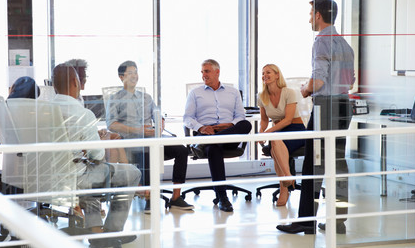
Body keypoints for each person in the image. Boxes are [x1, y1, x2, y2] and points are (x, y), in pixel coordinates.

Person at [277, 0, 355, 235]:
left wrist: (305, 89)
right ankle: (338, 221)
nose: (309, 17)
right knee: (338, 163)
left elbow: (319, 80)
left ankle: (306, 221)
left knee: (314, 163)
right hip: (343, 106)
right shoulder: (344, 44)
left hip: (326, 107)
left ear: (319, 15)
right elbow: (350, 82)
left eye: (311, 13)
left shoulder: (321, 41)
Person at [52, 64, 141, 248]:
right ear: (75, 83)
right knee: (131, 173)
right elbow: (98, 154)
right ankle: (112, 231)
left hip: (50, 177)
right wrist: (97, 140)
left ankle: (95, 230)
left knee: (89, 170)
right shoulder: (82, 114)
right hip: (76, 177)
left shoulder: (43, 110)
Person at [106, 60, 194, 213]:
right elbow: (111, 124)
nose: (135, 76)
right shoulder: (115, 98)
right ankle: (149, 198)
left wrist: (160, 124)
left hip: (152, 138)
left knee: (181, 150)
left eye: (136, 72)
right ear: (121, 77)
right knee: (148, 150)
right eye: (130, 73)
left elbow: (158, 114)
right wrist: (137, 130)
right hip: (132, 142)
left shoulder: (146, 97)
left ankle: (176, 197)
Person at [183, 59, 252, 212]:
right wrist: (201, 127)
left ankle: (211, 141)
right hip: (206, 132)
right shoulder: (195, 93)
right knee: (214, 148)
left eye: (206, 71)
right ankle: (223, 197)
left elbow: (241, 116)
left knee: (246, 124)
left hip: (228, 134)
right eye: (202, 72)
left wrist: (229, 125)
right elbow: (187, 118)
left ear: (217, 72)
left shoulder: (233, 92)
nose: (203, 75)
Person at [257, 64, 306, 207]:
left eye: (268, 72)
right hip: (277, 132)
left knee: (274, 140)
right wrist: (261, 133)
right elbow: (264, 120)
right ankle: (287, 178)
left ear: (277, 75)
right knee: (275, 141)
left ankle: (284, 186)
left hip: (295, 129)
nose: (265, 75)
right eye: (263, 73)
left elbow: (288, 120)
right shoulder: (262, 96)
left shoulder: (289, 92)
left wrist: (267, 133)